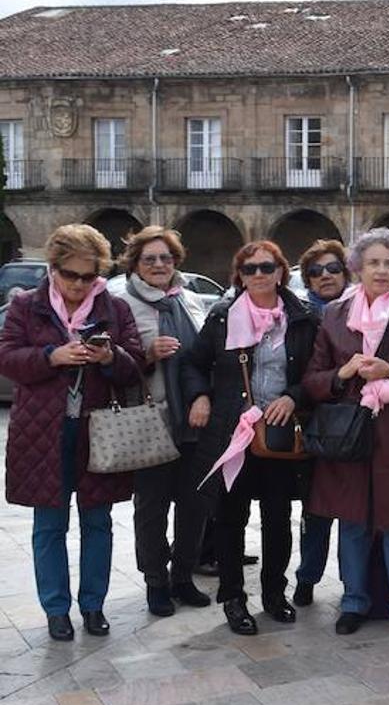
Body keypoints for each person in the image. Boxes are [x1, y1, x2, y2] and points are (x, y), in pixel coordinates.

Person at [0, 224, 144, 641]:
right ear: (53, 268)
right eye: (71, 275)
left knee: (97, 522)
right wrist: (52, 355)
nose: (81, 285)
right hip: (43, 432)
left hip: (99, 430)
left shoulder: (114, 308)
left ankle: (94, 606)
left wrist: (108, 356)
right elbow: (8, 358)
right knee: (49, 526)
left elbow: (134, 366)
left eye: (89, 276)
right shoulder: (26, 305)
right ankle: (56, 609)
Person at [304, 228, 389, 639]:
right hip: (348, 434)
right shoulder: (334, 315)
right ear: (358, 269)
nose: (381, 270)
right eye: (373, 263)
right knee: (352, 524)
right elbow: (312, 380)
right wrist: (342, 373)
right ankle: (353, 602)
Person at [184, 240, 318, 636]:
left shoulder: (302, 318)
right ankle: (233, 598)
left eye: (266, 267)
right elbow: (194, 363)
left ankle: (276, 594)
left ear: (280, 271)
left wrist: (293, 397)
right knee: (229, 520)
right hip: (232, 434)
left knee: (278, 519)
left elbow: (315, 374)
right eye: (249, 269)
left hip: (277, 434)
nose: (258, 275)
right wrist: (200, 396)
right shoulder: (223, 316)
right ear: (239, 277)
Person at [116, 226, 211, 617]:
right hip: (150, 421)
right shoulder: (121, 303)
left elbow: (205, 355)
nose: (159, 265)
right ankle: (155, 580)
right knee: (151, 507)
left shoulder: (190, 300)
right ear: (136, 263)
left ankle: (183, 576)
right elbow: (113, 362)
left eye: (166, 258)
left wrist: (204, 394)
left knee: (194, 505)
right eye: (150, 259)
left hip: (195, 419)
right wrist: (146, 354)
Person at [291, 239, 349, 607]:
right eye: (316, 272)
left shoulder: (362, 310)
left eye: (332, 269)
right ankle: (307, 577)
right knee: (315, 510)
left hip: (355, 419)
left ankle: (352, 583)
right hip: (315, 420)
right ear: (307, 280)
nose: (325, 276)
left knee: (355, 512)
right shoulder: (299, 316)